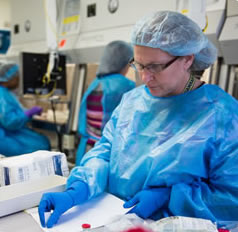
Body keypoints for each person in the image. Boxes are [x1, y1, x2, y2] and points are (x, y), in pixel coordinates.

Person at [38, 11, 238, 228]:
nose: (144, 77)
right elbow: (106, 151)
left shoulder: (223, 116)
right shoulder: (132, 101)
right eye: (139, 65)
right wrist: (79, 188)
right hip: (114, 218)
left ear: (187, 59)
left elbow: (230, 197)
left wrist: (169, 196)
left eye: (155, 67)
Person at [75, 40, 135, 165]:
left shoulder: (95, 83)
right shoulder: (126, 86)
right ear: (124, 63)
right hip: (108, 153)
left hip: (87, 150)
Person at [0, 61, 50, 156]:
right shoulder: (2, 95)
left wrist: (27, 113)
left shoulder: (4, 92)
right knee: (42, 145)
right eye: (17, 77)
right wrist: (28, 113)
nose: (18, 80)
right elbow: (9, 121)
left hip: (8, 133)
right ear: (9, 78)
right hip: (6, 137)